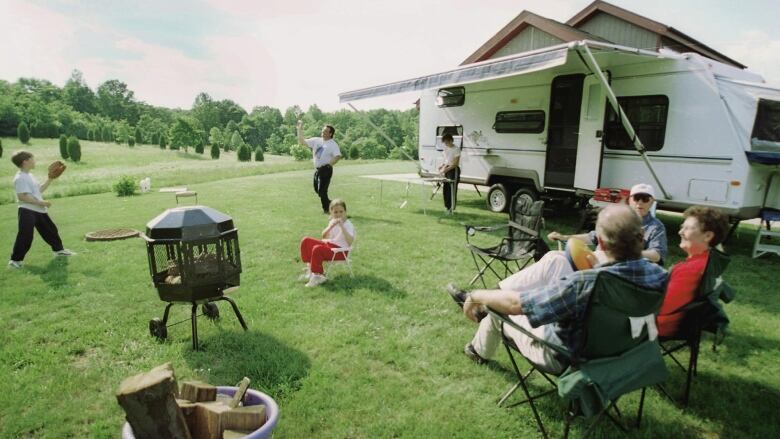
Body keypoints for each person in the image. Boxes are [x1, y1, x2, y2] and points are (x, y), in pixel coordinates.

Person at [450, 204, 667, 372]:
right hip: (621, 352)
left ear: (600, 242)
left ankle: (477, 350)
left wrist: (479, 295)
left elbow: (517, 305)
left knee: (498, 307)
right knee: (556, 260)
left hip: (565, 355)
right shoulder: (660, 276)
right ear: (641, 238)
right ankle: (487, 305)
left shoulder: (588, 283)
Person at [547, 183, 668, 265]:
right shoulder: (618, 217)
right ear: (630, 200)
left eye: (645, 199)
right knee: (553, 255)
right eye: (637, 198)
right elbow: (593, 237)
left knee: (560, 264)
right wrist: (565, 237)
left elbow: (657, 255)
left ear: (652, 202)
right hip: (598, 259)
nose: (640, 202)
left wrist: (624, 254)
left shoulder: (656, 227)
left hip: (619, 266)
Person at [657, 206, 729, 337]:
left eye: (687, 228)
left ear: (707, 236)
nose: (680, 232)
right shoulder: (708, 262)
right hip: (674, 322)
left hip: (659, 326)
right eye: (682, 227)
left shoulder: (691, 270)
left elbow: (662, 307)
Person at [8, 151, 75, 269]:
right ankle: (15, 261)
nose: (35, 161)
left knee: (51, 230)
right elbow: (22, 196)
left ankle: (59, 251)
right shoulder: (20, 178)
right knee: (25, 235)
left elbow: (38, 190)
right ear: (25, 161)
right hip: (27, 210)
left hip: (38, 210)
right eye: (32, 159)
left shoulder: (30, 175)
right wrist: (41, 202)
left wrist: (49, 179)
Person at [298, 199, 355, 287]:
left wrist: (342, 227)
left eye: (341, 211)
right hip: (330, 246)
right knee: (306, 241)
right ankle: (310, 269)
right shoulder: (332, 221)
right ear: (331, 213)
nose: (338, 214)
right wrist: (331, 227)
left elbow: (350, 242)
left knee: (317, 249)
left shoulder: (348, 225)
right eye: (335, 212)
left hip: (340, 251)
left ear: (345, 212)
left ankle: (318, 275)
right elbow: (324, 236)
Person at [297, 120, 342, 214]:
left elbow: (337, 156)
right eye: (323, 131)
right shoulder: (316, 140)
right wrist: (299, 129)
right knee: (318, 190)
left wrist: (328, 165)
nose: (323, 133)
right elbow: (302, 142)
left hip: (326, 170)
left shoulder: (333, 144)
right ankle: (333, 205)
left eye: (326, 131)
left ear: (330, 134)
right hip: (317, 170)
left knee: (322, 191)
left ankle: (327, 209)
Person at [437, 133, 460, 213]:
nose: (446, 144)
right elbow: (446, 160)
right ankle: (447, 207)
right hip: (447, 169)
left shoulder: (456, 149)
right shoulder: (446, 149)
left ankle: (451, 208)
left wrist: (447, 169)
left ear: (451, 140)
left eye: (447, 142)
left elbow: (455, 163)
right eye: (445, 142)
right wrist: (442, 166)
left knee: (452, 189)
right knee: (445, 189)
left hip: (453, 170)